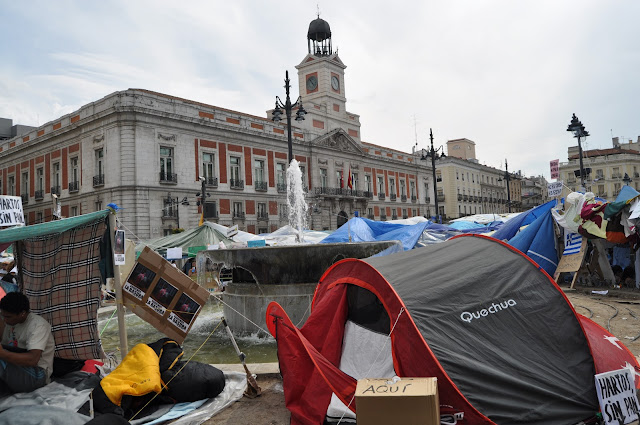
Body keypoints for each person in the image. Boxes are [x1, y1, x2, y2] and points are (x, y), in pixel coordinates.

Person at [0, 292, 55, 394]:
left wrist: (2, 354)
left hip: (38, 374)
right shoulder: (10, 322)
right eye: (3, 316)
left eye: (8, 317)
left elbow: (32, 360)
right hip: (19, 368)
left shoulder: (38, 325)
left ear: (22, 313)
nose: (5, 320)